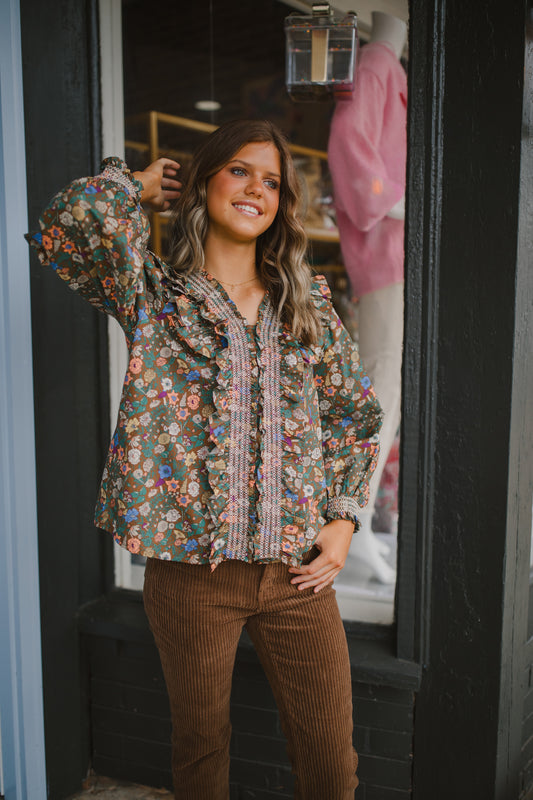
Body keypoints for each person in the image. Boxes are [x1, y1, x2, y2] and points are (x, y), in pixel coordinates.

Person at [27, 119, 382, 800]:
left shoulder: (305, 308)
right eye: (239, 170)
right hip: (190, 580)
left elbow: (354, 420)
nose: (257, 189)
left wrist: (340, 520)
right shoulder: (155, 298)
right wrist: (128, 185)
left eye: (272, 181)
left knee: (329, 759)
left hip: (297, 576)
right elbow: (62, 230)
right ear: (204, 181)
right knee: (199, 750)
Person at [328, 11, 407, 584]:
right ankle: (345, 519)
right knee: (381, 385)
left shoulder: (392, 68)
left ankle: (355, 520)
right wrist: (402, 205)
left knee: (392, 390)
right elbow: (352, 155)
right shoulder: (377, 64)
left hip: (402, 255)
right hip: (388, 255)